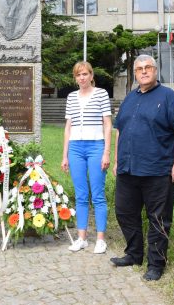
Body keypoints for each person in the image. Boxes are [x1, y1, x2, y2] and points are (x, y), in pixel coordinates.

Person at [110, 54, 174, 281]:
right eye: (139, 69)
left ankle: (156, 265)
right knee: (124, 212)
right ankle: (134, 254)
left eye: (148, 68)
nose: (143, 72)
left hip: (158, 170)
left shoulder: (168, 97)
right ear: (135, 74)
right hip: (128, 169)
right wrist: (117, 161)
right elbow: (120, 131)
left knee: (159, 219)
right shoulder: (129, 99)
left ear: (156, 71)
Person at [60, 61, 112, 254]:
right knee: (81, 195)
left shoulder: (101, 94)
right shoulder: (72, 97)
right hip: (75, 148)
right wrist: (65, 155)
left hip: (96, 146)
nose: (82, 78)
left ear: (91, 75)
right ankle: (82, 237)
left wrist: (106, 152)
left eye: (85, 74)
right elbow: (68, 127)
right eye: (78, 75)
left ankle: (100, 239)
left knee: (97, 194)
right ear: (75, 78)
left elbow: (107, 124)